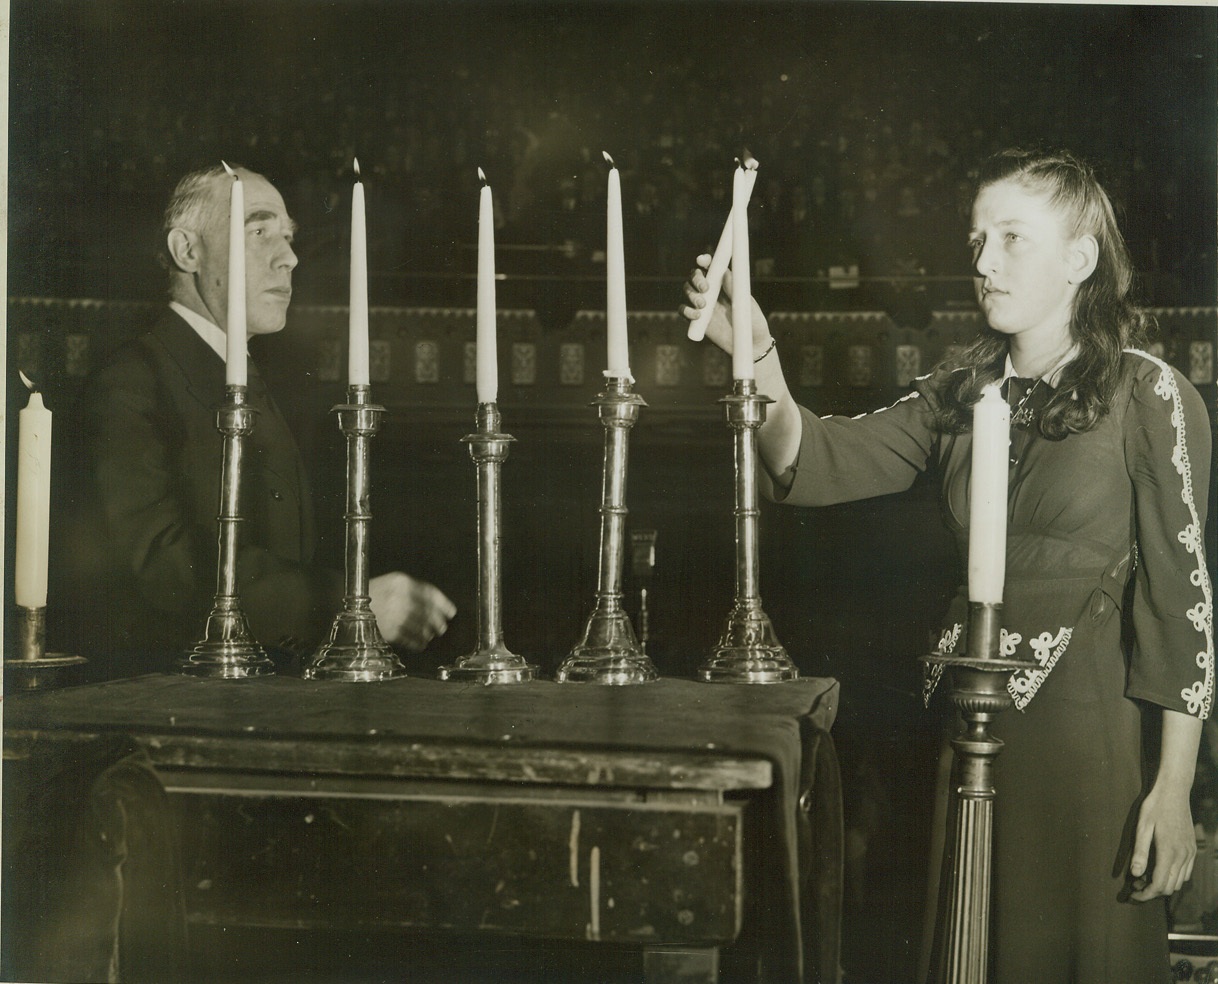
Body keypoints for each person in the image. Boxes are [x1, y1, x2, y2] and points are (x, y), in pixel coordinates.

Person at [680, 148, 1213, 983]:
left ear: (1080, 259)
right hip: (956, 732)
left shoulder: (1152, 396)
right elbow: (811, 460)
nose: (983, 261)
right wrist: (758, 354)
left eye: (1011, 238)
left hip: (1083, 754)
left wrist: (1174, 789)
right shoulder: (959, 393)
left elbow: (1183, 610)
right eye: (976, 239)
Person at [56, 164, 455, 677]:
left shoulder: (258, 378)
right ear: (187, 252)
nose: (288, 257)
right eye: (259, 231)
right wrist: (347, 602)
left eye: (288, 237)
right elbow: (162, 568)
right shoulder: (129, 384)